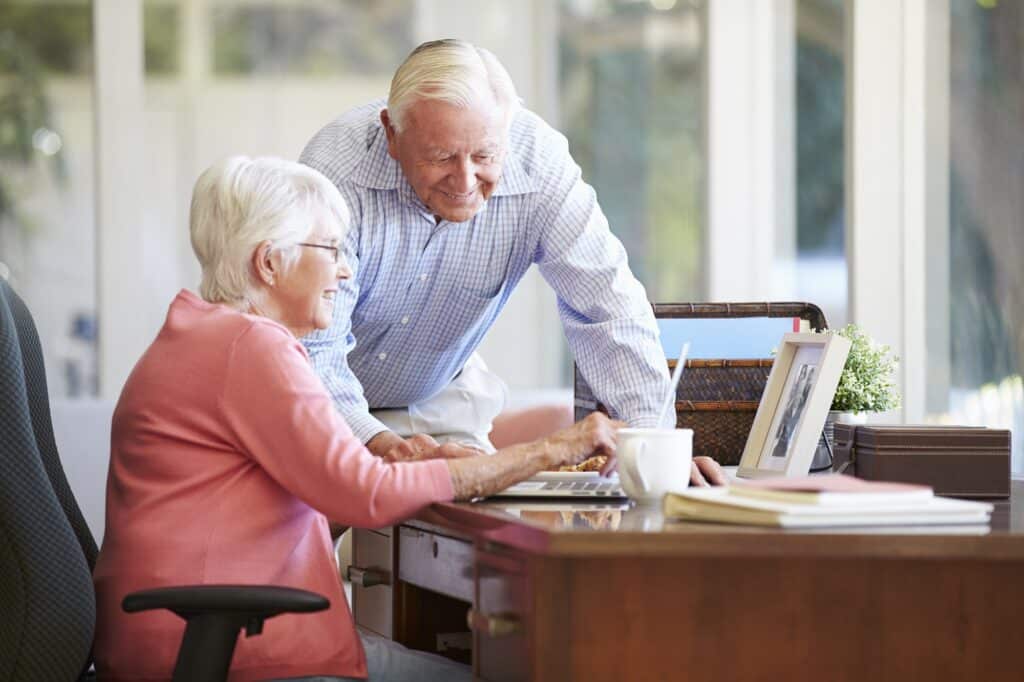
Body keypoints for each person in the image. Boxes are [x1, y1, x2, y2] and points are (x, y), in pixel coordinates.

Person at [92, 156, 621, 682]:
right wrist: (551, 450)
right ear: (269, 263)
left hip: (185, 641)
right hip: (228, 651)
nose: (346, 271)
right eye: (331, 249)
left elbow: (328, 489)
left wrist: (416, 465)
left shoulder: (202, 336)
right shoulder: (251, 348)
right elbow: (365, 495)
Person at [300, 39, 725, 486]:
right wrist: (388, 448)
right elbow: (312, 349)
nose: (465, 181)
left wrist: (654, 445)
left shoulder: (540, 164)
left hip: (440, 397)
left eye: (484, 156)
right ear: (392, 133)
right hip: (320, 398)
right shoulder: (334, 175)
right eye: (441, 157)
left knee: (474, 521)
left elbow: (608, 308)